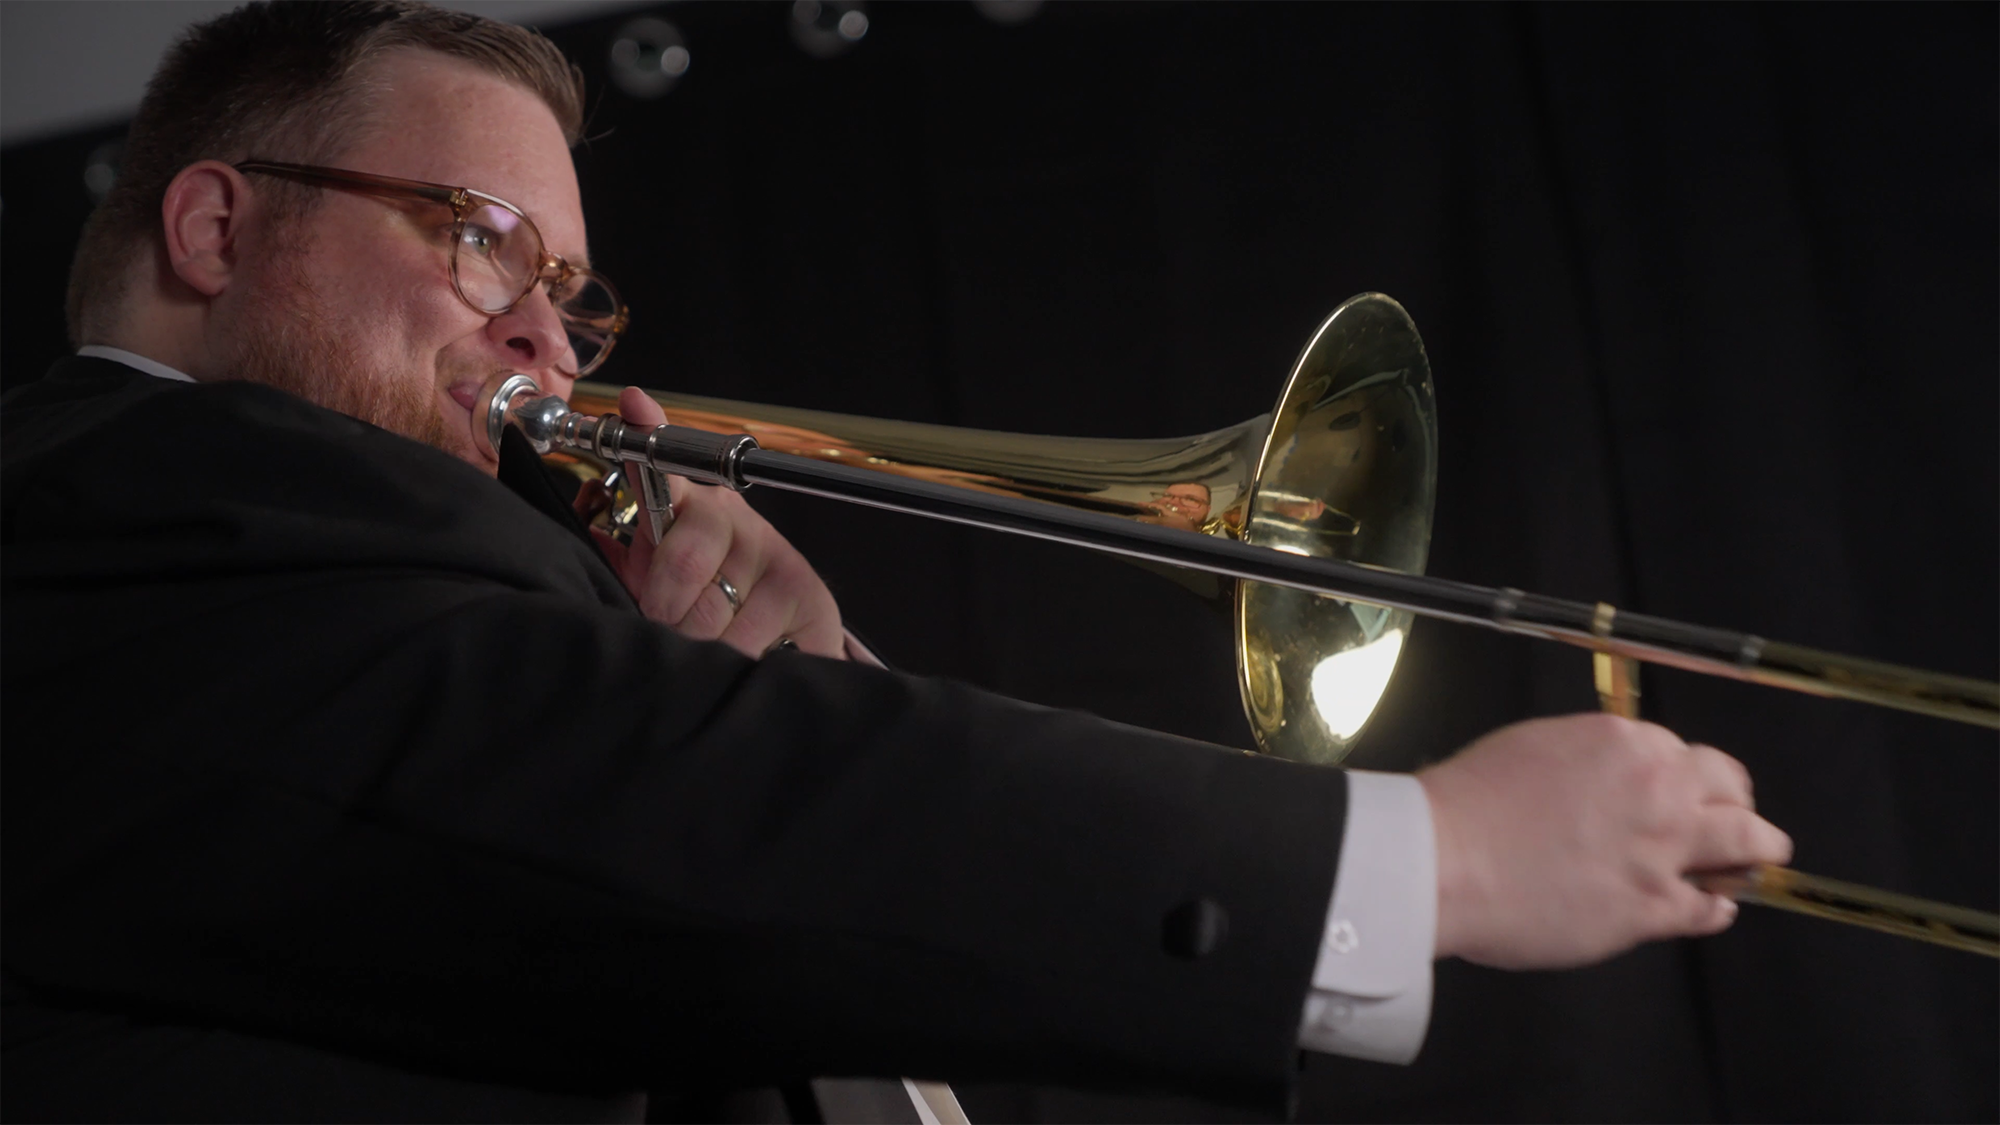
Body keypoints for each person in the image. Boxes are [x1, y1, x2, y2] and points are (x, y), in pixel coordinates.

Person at [0, 2, 1792, 1122]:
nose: (554, 343)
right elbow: (673, 811)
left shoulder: (366, 601)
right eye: (482, 245)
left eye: (571, 287)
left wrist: (789, 685)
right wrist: (1431, 862)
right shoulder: (119, 499)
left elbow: (679, 901)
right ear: (220, 224)